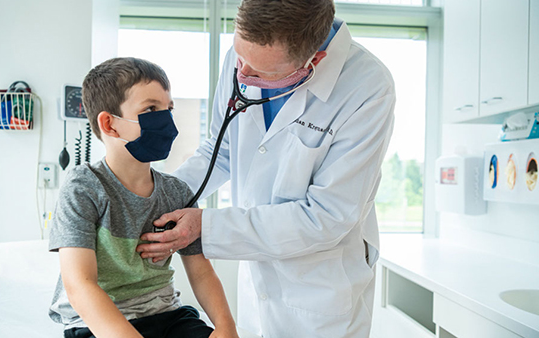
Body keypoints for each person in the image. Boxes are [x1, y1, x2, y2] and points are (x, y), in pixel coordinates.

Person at [137, 0, 396, 336]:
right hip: (258, 283)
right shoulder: (245, 57)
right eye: (239, 57)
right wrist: (154, 194)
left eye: (260, 73)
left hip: (319, 296)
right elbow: (221, 149)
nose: (242, 74)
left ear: (312, 62)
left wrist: (206, 227)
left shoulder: (367, 88)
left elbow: (328, 216)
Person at [48, 57, 239, 338]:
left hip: (167, 316)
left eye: (168, 108)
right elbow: (80, 284)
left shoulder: (177, 192)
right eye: (151, 109)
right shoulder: (84, 187)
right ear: (110, 124)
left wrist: (226, 327)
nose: (166, 120)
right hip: (95, 323)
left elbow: (201, 272)